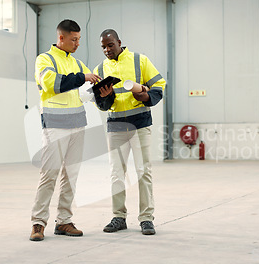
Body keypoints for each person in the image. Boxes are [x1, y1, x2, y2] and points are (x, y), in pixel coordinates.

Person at [29, 19, 101, 241]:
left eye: (79, 39)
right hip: (55, 125)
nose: (77, 44)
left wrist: (101, 90)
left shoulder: (78, 64)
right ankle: (38, 223)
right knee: (49, 174)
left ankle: (64, 221)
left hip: (77, 124)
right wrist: (83, 78)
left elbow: (88, 92)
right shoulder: (45, 60)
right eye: (74, 39)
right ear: (61, 38)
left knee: (71, 176)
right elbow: (52, 83)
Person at [93, 29, 166, 235]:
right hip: (115, 126)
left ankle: (146, 218)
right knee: (116, 174)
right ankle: (119, 217)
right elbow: (102, 104)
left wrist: (146, 96)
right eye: (103, 47)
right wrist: (105, 97)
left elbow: (159, 84)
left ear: (119, 42)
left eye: (110, 45)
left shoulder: (139, 60)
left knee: (143, 171)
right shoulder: (100, 68)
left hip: (140, 123)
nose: (107, 50)